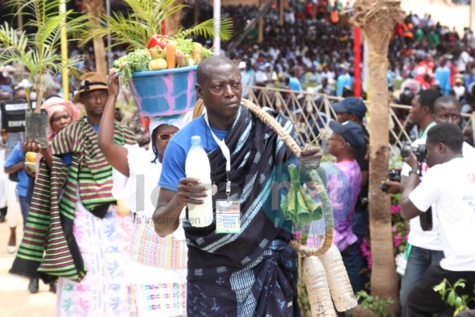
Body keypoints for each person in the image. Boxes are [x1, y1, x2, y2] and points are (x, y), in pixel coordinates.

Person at [153, 55, 321, 316]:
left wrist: (306, 169)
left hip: (268, 264)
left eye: (235, 84)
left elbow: (293, 201)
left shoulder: (271, 131)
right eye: (218, 87)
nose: (230, 93)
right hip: (212, 274)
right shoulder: (182, 145)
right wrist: (180, 201)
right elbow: (162, 227)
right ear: (200, 92)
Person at [10, 72, 137, 316]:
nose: (98, 101)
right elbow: (58, 173)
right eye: (93, 96)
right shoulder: (70, 134)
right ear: (83, 101)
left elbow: (137, 175)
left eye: (103, 95)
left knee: (123, 272)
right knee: (86, 273)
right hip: (84, 217)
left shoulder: (125, 133)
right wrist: (45, 152)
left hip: (122, 216)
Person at [98, 70, 188, 316]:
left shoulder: (198, 165)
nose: (170, 141)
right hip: (149, 266)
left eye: (177, 136)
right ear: (153, 139)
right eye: (164, 136)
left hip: (188, 265)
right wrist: (111, 97)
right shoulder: (138, 161)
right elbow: (105, 144)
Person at [401, 123, 475, 316]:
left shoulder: (440, 173)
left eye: (428, 149)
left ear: (441, 147)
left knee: (415, 305)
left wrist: (414, 170)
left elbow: (406, 210)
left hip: (460, 264)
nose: (427, 154)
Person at [21, 96, 80, 293]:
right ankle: (37, 278)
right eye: (57, 118)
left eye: (66, 117)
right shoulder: (45, 147)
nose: (63, 121)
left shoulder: (81, 141)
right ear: (50, 124)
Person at [327, 120, 367, 299]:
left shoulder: (338, 174)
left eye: (332, 139)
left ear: (342, 144)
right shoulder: (352, 166)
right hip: (344, 234)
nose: (329, 141)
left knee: (334, 292)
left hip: (334, 239)